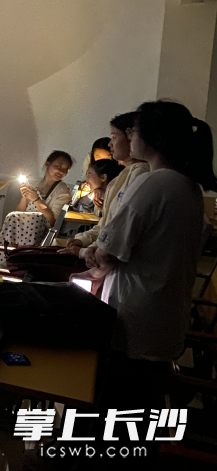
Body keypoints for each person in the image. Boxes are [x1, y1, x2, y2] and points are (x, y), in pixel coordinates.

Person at [72, 101, 217, 463]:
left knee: (118, 411)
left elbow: (109, 253)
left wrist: (88, 255)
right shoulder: (189, 187)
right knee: (141, 410)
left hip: (135, 317)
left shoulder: (154, 183)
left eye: (133, 130)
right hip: (163, 316)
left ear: (155, 137)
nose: (129, 135)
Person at [60, 113, 150, 297]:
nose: (110, 144)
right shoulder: (125, 175)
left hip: (128, 276)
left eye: (114, 137)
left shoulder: (141, 175)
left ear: (132, 138)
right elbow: (106, 225)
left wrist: (85, 252)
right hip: (111, 267)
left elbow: (120, 232)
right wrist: (84, 241)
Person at [0, 151, 72, 264]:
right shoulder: (35, 183)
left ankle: (16, 258)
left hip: (41, 232)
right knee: (12, 216)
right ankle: (7, 255)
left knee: (36, 218)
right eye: (58, 166)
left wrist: (36, 199)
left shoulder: (63, 192)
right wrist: (24, 197)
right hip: (22, 228)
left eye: (65, 169)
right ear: (47, 164)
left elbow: (53, 221)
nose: (61, 171)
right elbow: (20, 211)